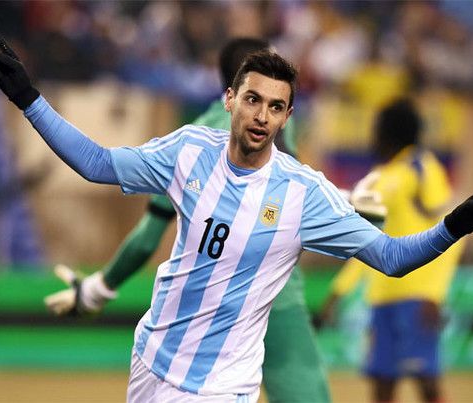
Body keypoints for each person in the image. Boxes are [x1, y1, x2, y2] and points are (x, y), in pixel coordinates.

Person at [0, 29, 473, 402]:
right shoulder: (189, 150)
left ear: (287, 117)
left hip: (222, 385)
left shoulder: (303, 193)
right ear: (230, 99)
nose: (262, 115)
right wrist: (28, 98)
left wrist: (452, 226)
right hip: (152, 359)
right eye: (253, 100)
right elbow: (97, 163)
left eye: (276, 106)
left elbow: (392, 257)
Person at [43, 37, 331, 403]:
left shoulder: (199, 140)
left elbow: (149, 235)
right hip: (280, 300)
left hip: (209, 317)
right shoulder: (275, 124)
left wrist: (98, 289)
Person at [320, 98, 465, 402]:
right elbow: (366, 245)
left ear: (389, 134)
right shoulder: (379, 179)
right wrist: (338, 293)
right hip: (381, 299)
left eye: (376, 129)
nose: (371, 137)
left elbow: (453, 233)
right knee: (382, 388)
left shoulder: (421, 168)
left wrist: (434, 294)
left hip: (417, 299)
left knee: (428, 386)